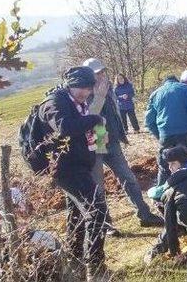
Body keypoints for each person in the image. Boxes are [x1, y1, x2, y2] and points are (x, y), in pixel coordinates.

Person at [38, 66, 108, 281]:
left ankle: (74, 259)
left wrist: (99, 137)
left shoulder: (77, 103)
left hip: (79, 165)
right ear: (70, 85)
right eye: (82, 88)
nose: (85, 93)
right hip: (66, 169)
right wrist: (96, 120)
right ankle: (94, 266)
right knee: (97, 210)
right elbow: (64, 127)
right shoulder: (55, 102)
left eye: (88, 89)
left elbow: (82, 130)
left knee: (77, 214)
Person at [83, 58, 164, 233]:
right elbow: (89, 118)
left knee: (129, 178)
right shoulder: (85, 92)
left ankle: (144, 215)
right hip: (96, 140)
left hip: (112, 140)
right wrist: (99, 97)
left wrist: (121, 134)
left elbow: (115, 113)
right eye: (97, 73)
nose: (101, 75)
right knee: (98, 186)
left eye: (102, 72)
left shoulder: (109, 88)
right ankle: (106, 225)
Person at [145, 75, 187, 186]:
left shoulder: (156, 94)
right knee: (186, 163)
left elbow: (149, 121)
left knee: (165, 165)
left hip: (165, 134)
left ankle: (160, 197)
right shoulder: (185, 89)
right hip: (184, 132)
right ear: (177, 80)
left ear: (164, 82)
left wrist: (159, 135)